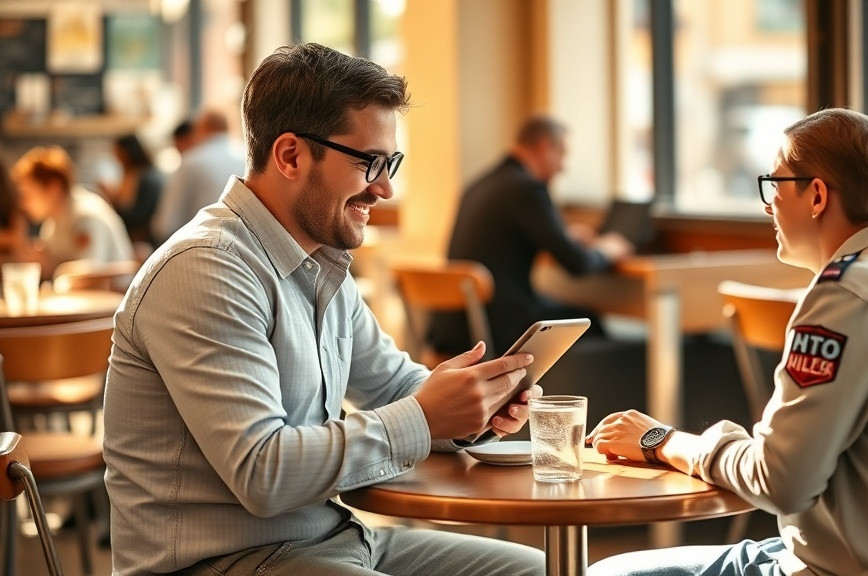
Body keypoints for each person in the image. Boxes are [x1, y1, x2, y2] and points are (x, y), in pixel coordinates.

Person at [103, 43, 546, 576]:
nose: (383, 187)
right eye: (369, 163)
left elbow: (397, 389)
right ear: (290, 155)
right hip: (223, 562)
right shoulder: (207, 269)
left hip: (333, 540)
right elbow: (263, 473)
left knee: (543, 570)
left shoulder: (321, 265)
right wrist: (427, 415)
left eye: (391, 163)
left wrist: (473, 407)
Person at [587, 108, 868, 576]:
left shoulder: (843, 297)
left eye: (774, 183)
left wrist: (662, 441)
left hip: (857, 568)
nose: (768, 203)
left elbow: (779, 482)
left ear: (816, 195)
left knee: (606, 573)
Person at [429, 115, 634, 355]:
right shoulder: (527, 189)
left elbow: (506, 237)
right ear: (546, 147)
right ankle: (578, 394)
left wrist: (565, 234)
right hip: (494, 331)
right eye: (562, 155)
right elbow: (577, 263)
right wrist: (607, 250)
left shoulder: (479, 185)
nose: (562, 167)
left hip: (454, 328)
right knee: (588, 320)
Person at [10, 145, 134, 279]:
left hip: (116, 296)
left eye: (28, 194)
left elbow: (90, 272)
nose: (23, 204)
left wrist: (49, 264)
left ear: (54, 188)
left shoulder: (86, 214)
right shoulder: (52, 223)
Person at [152, 107, 245, 243]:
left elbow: (165, 224)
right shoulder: (249, 159)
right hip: (247, 250)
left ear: (201, 128)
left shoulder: (191, 161)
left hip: (201, 249)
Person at [98, 133, 164, 248]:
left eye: (118, 153)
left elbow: (137, 217)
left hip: (145, 241)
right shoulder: (138, 173)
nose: (116, 158)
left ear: (127, 153)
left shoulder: (145, 177)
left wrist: (113, 199)